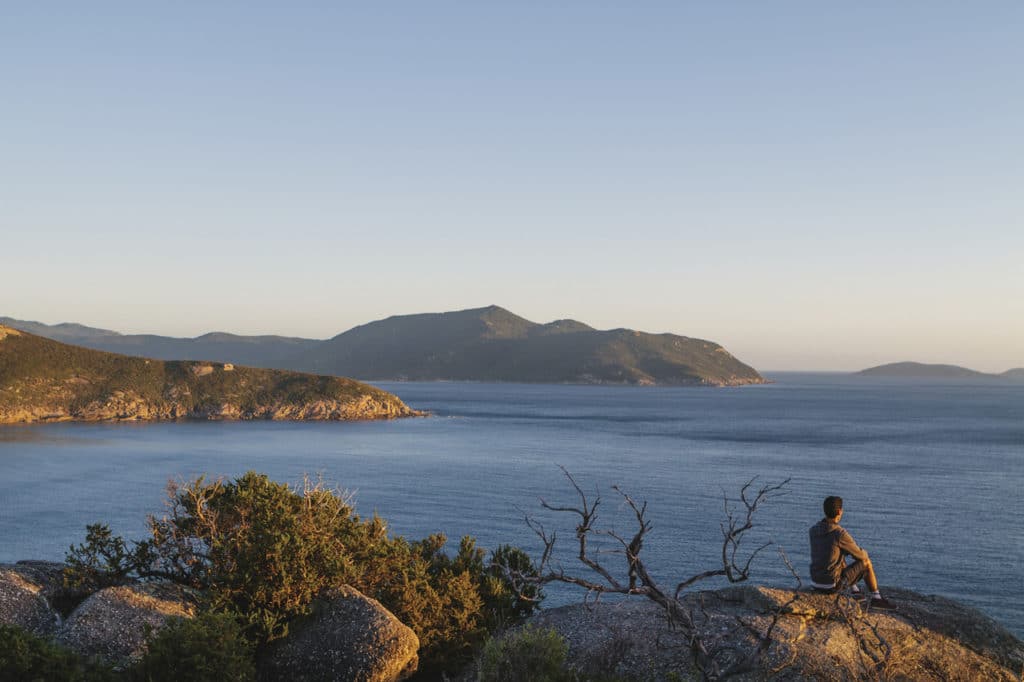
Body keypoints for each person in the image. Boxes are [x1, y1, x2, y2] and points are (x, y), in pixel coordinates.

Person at [809, 495, 895, 610]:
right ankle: (876, 598)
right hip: (831, 585)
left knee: (837, 554)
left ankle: (854, 591)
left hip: (815, 582)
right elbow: (862, 555)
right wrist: (860, 551)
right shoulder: (839, 533)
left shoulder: (813, 530)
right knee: (866, 562)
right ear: (840, 511)